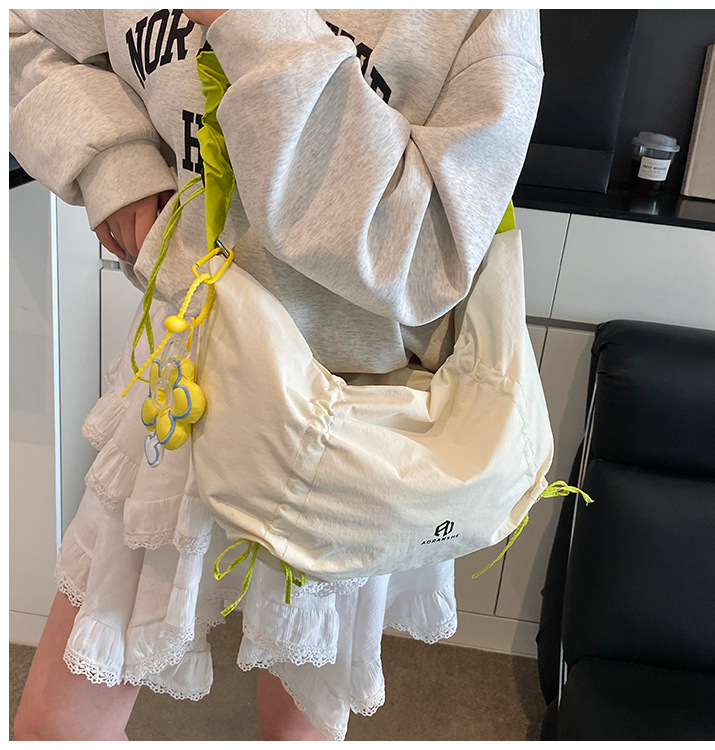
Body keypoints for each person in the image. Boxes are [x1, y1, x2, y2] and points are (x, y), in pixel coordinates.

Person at [9, 9, 544, 741]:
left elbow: (425, 255)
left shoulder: (479, 19)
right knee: (58, 726)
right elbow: (28, 34)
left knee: (297, 723)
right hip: (183, 389)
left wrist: (251, 20)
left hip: (352, 427)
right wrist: (115, 164)